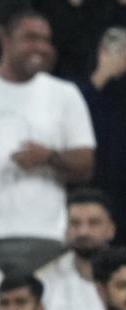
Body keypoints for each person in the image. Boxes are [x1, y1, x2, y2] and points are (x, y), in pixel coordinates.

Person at [0, 10, 96, 273]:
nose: (41, 47)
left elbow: (86, 165)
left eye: (46, 40)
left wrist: (50, 157)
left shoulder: (65, 94)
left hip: (46, 236)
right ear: (5, 40)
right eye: (30, 38)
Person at [37, 189, 117, 310]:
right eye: (75, 223)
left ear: (111, 230)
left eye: (93, 223)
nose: (83, 231)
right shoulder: (45, 280)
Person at [80, 26, 126, 230]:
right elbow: (78, 110)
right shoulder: (82, 89)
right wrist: (103, 73)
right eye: (115, 50)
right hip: (94, 181)